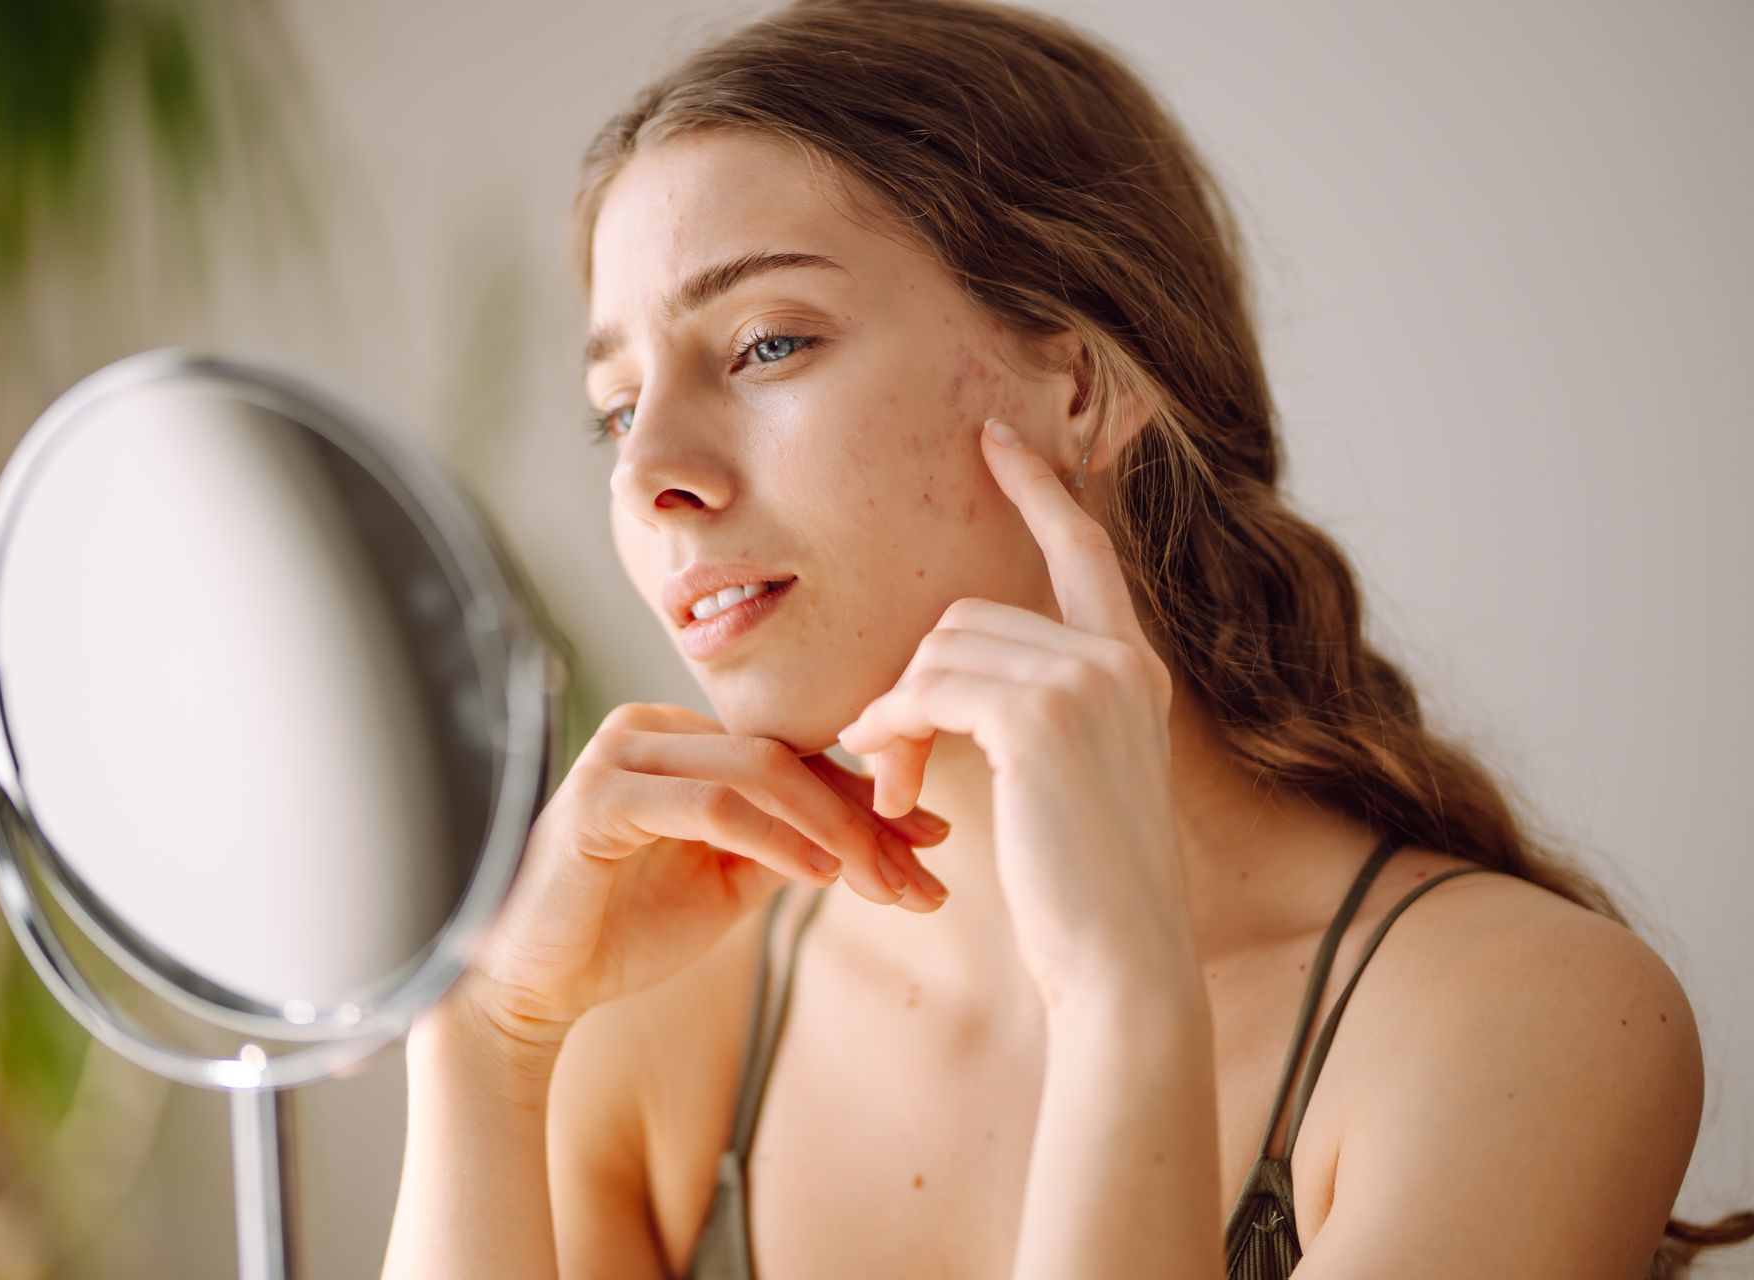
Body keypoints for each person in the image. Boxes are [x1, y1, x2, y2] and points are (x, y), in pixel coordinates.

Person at [381, 1, 1754, 1276]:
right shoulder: (649, 1022)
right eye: (617, 407)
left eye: (767, 345)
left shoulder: (1526, 1026)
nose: (649, 476)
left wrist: (1121, 1005)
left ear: (1079, 387)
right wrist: (482, 1039)